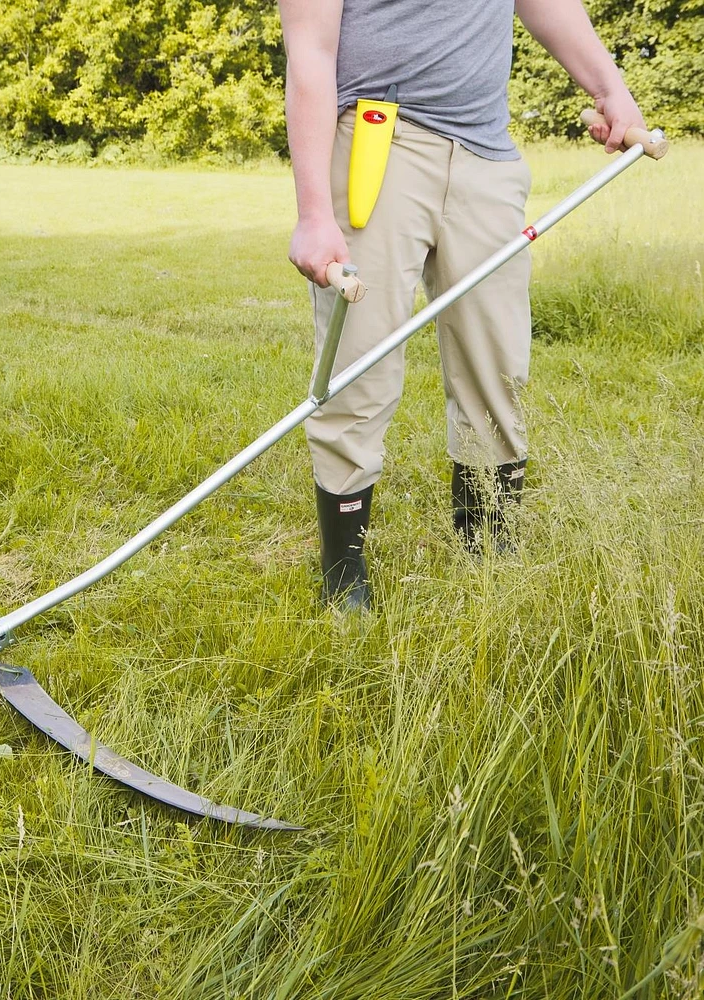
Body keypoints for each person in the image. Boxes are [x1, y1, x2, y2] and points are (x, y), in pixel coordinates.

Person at [277, 0, 647, 610]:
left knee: (497, 363)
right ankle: (344, 569)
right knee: (359, 365)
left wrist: (610, 87)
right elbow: (310, 53)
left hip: (487, 154)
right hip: (377, 138)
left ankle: (489, 549)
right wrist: (314, 214)